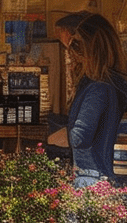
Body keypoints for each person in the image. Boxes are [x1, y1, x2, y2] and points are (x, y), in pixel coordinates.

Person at [47, 12, 127, 186]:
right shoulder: (116, 83)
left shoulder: (98, 88)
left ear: (91, 48)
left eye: (75, 44)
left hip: (93, 177)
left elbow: (80, 137)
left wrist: (50, 138)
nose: (71, 52)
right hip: (107, 177)